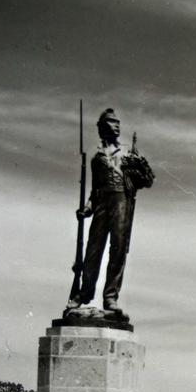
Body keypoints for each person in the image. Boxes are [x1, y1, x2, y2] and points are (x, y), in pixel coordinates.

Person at [66, 108, 154, 315]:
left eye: (117, 122)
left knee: (118, 250)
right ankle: (84, 293)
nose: (116, 126)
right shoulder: (96, 158)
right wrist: (87, 209)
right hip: (103, 203)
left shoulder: (127, 154)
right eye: (112, 122)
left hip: (122, 201)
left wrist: (139, 174)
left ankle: (110, 297)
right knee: (93, 250)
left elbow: (146, 180)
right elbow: (94, 190)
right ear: (103, 127)